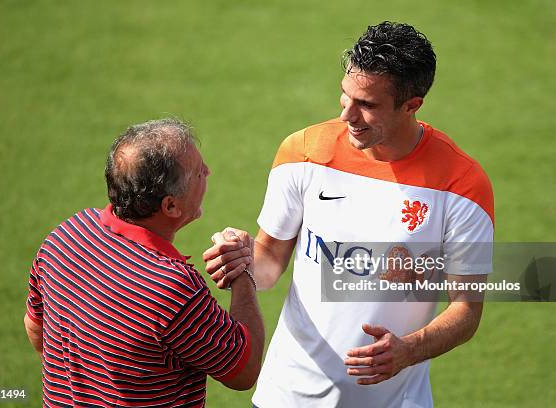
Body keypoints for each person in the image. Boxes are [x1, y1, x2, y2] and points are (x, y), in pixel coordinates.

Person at [203, 22, 494, 407]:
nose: (347, 116)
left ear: (412, 105)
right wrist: (240, 259)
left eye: (367, 105)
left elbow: (466, 308)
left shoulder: (461, 185)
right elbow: (270, 261)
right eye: (345, 96)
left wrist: (408, 350)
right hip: (286, 396)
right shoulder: (303, 152)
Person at [23, 118, 264, 407]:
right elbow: (244, 371)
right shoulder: (171, 289)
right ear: (171, 206)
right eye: (200, 173)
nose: (209, 172)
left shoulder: (64, 236)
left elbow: (38, 331)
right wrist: (242, 274)